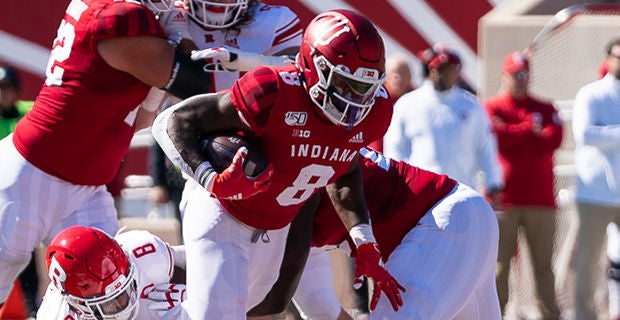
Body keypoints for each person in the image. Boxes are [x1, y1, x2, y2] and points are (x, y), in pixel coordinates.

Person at [151, 9, 404, 319]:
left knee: (263, 307)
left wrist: (363, 240)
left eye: (363, 87)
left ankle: (146, 270)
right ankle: (140, 264)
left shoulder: (376, 112)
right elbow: (172, 121)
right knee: (216, 315)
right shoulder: (273, 91)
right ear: (313, 67)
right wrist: (210, 178)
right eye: (343, 84)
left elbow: (345, 168)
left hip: (277, 223)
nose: (354, 99)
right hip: (223, 207)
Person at [0, 0, 216, 306]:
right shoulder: (119, 17)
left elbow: (141, 119)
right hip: (30, 177)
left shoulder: (116, 13)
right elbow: (198, 81)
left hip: (84, 186)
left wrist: (171, 46)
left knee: (109, 290)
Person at [253, 147, 502, 319]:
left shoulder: (292, 170)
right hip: (459, 220)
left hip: (442, 219)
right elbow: (321, 308)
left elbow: (269, 301)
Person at [483, 51, 563, 319]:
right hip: (503, 198)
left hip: (541, 201)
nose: (521, 80)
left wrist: (516, 130)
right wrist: (528, 130)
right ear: (504, 76)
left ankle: (549, 314)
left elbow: (553, 139)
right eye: (515, 75)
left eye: (525, 74)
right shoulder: (493, 107)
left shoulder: (546, 108)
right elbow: (496, 138)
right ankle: (495, 314)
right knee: (498, 266)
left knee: (543, 266)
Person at [382, 44, 503, 208]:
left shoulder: (472, 106)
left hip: (462, 192)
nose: (443, 75)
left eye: (449, 69)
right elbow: (395, 149)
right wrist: (401, 184)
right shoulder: (407, 105)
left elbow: (485, 147)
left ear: (457, 72)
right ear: (428, 71)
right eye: (438, 69)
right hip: (420, 194)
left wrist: (492, 182)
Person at [36, 225, 186, 319]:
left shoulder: (143, 252)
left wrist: (196, 298)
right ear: (76, 304)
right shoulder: (55, 314)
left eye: (125, 290)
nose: (124, 304)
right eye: (110, 303)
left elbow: (202, 263)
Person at [572, 36, 620, 320]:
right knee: (587, 262)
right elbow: (585, 134)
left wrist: (609, 133)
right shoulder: (591, 94)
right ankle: (584, 316)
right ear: (608, 58)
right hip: (595, 194)